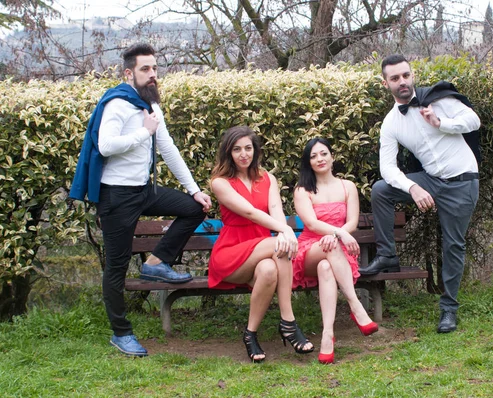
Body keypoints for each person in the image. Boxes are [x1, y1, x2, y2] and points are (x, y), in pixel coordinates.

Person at [70, 43, 212, 357]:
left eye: (154, 68)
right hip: (117, 195)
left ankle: (155, 263)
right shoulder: (117, 104)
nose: (152, 75)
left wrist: (194, 190)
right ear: (129, 73)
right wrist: (143, 133)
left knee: (193, 209)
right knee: (116, 268)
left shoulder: (150, 106)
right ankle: (121, 334)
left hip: (143, 190)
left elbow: (169, 149)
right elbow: (105, 145)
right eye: (145, 69)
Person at [361, 54, 481, 334]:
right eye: (394, 78)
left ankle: (448, 310)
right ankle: (387, 255)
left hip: (462, 181)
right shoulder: (391, 123)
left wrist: (441, 123)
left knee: (453, 245)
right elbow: (387, 168)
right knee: (381, 189)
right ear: (385, 83)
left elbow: (473, 120)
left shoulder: (438, 99)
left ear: (412, 75)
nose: (402, 82)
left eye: (405, 75)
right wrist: (413, 187)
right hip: (431, 180)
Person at [208, 125, 314, 363]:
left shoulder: (267, 178)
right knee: (280, 245)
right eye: (237, 149)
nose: (243, 154)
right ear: (228, 152)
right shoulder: (220, 182)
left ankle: (250, 334)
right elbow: (250, 212)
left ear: (255, 151)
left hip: (262, 248)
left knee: (268, 270)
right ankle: (288, 321)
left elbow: (276, 209)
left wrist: (282, 230)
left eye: (248, 148)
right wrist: (285, 230)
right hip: (231, 253)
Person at [293, 137, 378, 364]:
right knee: (325, 253)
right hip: (310, 248)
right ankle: (355, 304)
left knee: (326, 267)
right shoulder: (303, 190)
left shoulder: (347, 186)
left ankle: (327, 335)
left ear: (332, 156)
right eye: (313, 156)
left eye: (323, 153)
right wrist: (337, 234)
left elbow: (352, 222)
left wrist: (336, 235)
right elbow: (311, 224)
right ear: (308, 162)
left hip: (336, 252)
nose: (319, 159)